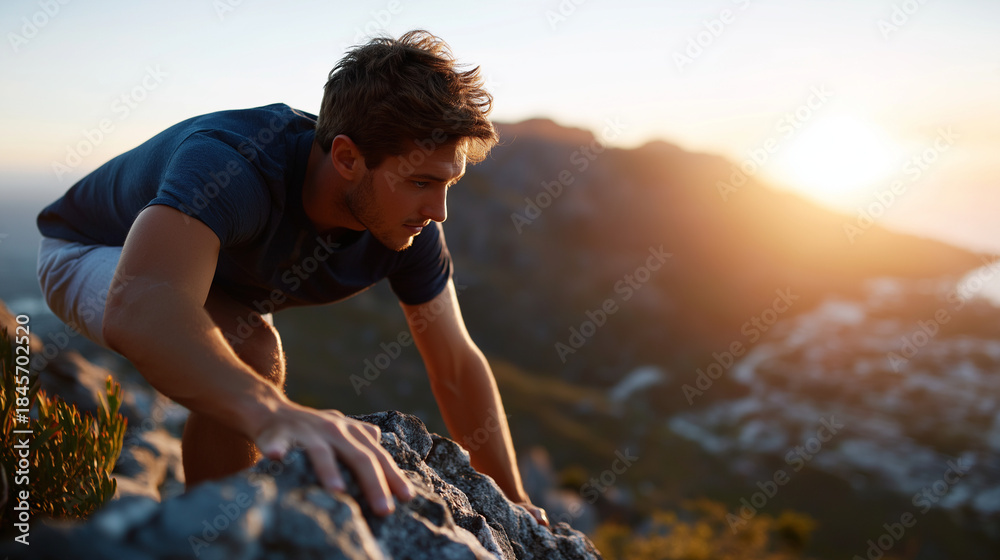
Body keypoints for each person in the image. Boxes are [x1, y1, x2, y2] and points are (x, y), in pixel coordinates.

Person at [35, 29, 547, 526]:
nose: (439, 211)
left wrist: (513, 502)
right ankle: (217, 538)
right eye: (420, 182)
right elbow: (141, 305)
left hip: (202, 279)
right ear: (346, 157)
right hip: (91, 251)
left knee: (249, 345)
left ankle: (215, 526)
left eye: (448, 184)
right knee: (252, 350)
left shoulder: (408, 227)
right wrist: (272, 412)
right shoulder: (232, 166)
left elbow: (455, 364)